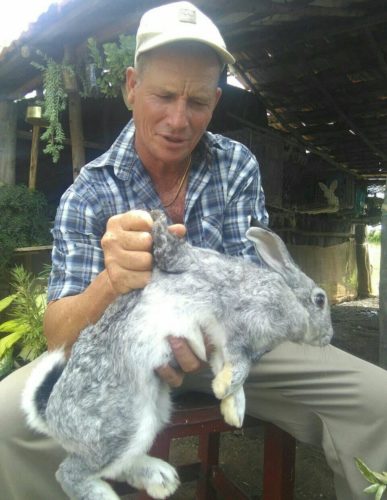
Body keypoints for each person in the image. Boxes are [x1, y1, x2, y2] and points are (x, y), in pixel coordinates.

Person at [0, 2, 386, 499]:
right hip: (129, 359)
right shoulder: (88, 193)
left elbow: (254, 285)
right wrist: (111, 281)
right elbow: (58, 335)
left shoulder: (236, 165)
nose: (179, 119)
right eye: (163, 95)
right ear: (131, 86)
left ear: (216, 100)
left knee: (376, 401)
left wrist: (226, 350)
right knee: (9, 421)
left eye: (198, 102)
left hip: (234, 351)